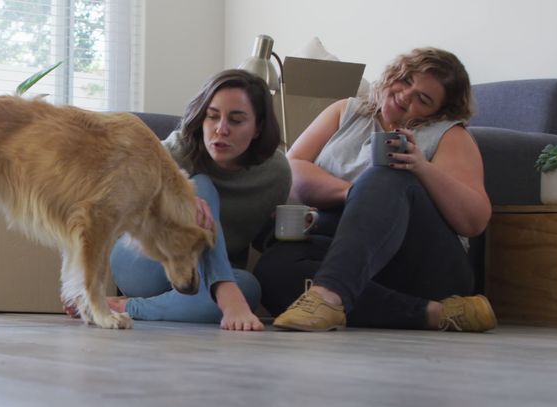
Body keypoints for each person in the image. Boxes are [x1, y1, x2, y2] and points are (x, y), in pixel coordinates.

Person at [253, 47, 497, 332]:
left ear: (438, 111)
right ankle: (435, 314)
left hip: (421, 265)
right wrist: (354, 193)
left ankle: (328, 295)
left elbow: (475, 220)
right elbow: (293, 168)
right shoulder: (346, 111)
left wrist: (421, 167)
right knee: (273, 271)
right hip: (350, 259)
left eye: (423, 99)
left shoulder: (448, 134)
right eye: (406, 81)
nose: (406, 96)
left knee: (388, 173)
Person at [107, 69, 291, 331]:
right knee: (199, 185)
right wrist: (176, 198)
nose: (221, 129)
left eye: (236, 120)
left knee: (249, 288)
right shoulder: (177, 149)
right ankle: (225, 293)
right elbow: (119, 195)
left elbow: (261, 237)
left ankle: (126, 307)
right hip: (143, 260)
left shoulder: (276, 173)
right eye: (212, 116)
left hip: (201, 279)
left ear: (258, 127)